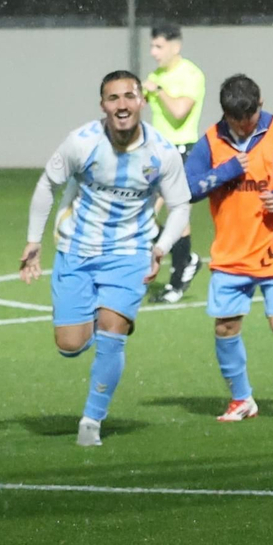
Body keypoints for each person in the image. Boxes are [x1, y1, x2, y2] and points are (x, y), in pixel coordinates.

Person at [19, 70, 189, 446]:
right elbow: (48, 184)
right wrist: (33, 241)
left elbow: (180, 206)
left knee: (112, 334)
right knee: (70, 344)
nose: (122, 105)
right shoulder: (81, 143)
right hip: (76, 249)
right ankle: (107, 317)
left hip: (130, 252)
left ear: (141, 101)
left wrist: (159, 248)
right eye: (113, 98)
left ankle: (91, 422)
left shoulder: (161, 152)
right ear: (103, 105)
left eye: (129, 96)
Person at [183, 74, 273, 421]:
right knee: (225, 327)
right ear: (225, 115)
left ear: (259, 106)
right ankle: (242, 400)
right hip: (232, 253)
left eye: (250, 120)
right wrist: (227, 171)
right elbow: (188, 188)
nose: (246, 127)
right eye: (238, 122)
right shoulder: (210, 142)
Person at [143, 23, 207, 302]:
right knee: (142, 213)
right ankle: (187, 259)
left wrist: (157, 91)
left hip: (182, 152)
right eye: (152, 46)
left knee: (177, 215)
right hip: (155, 153)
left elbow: (180, 112)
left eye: (158, 46)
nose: (153, 52)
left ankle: (179, 275)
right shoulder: (155, 75)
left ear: (175, 46)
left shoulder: (191, 74)